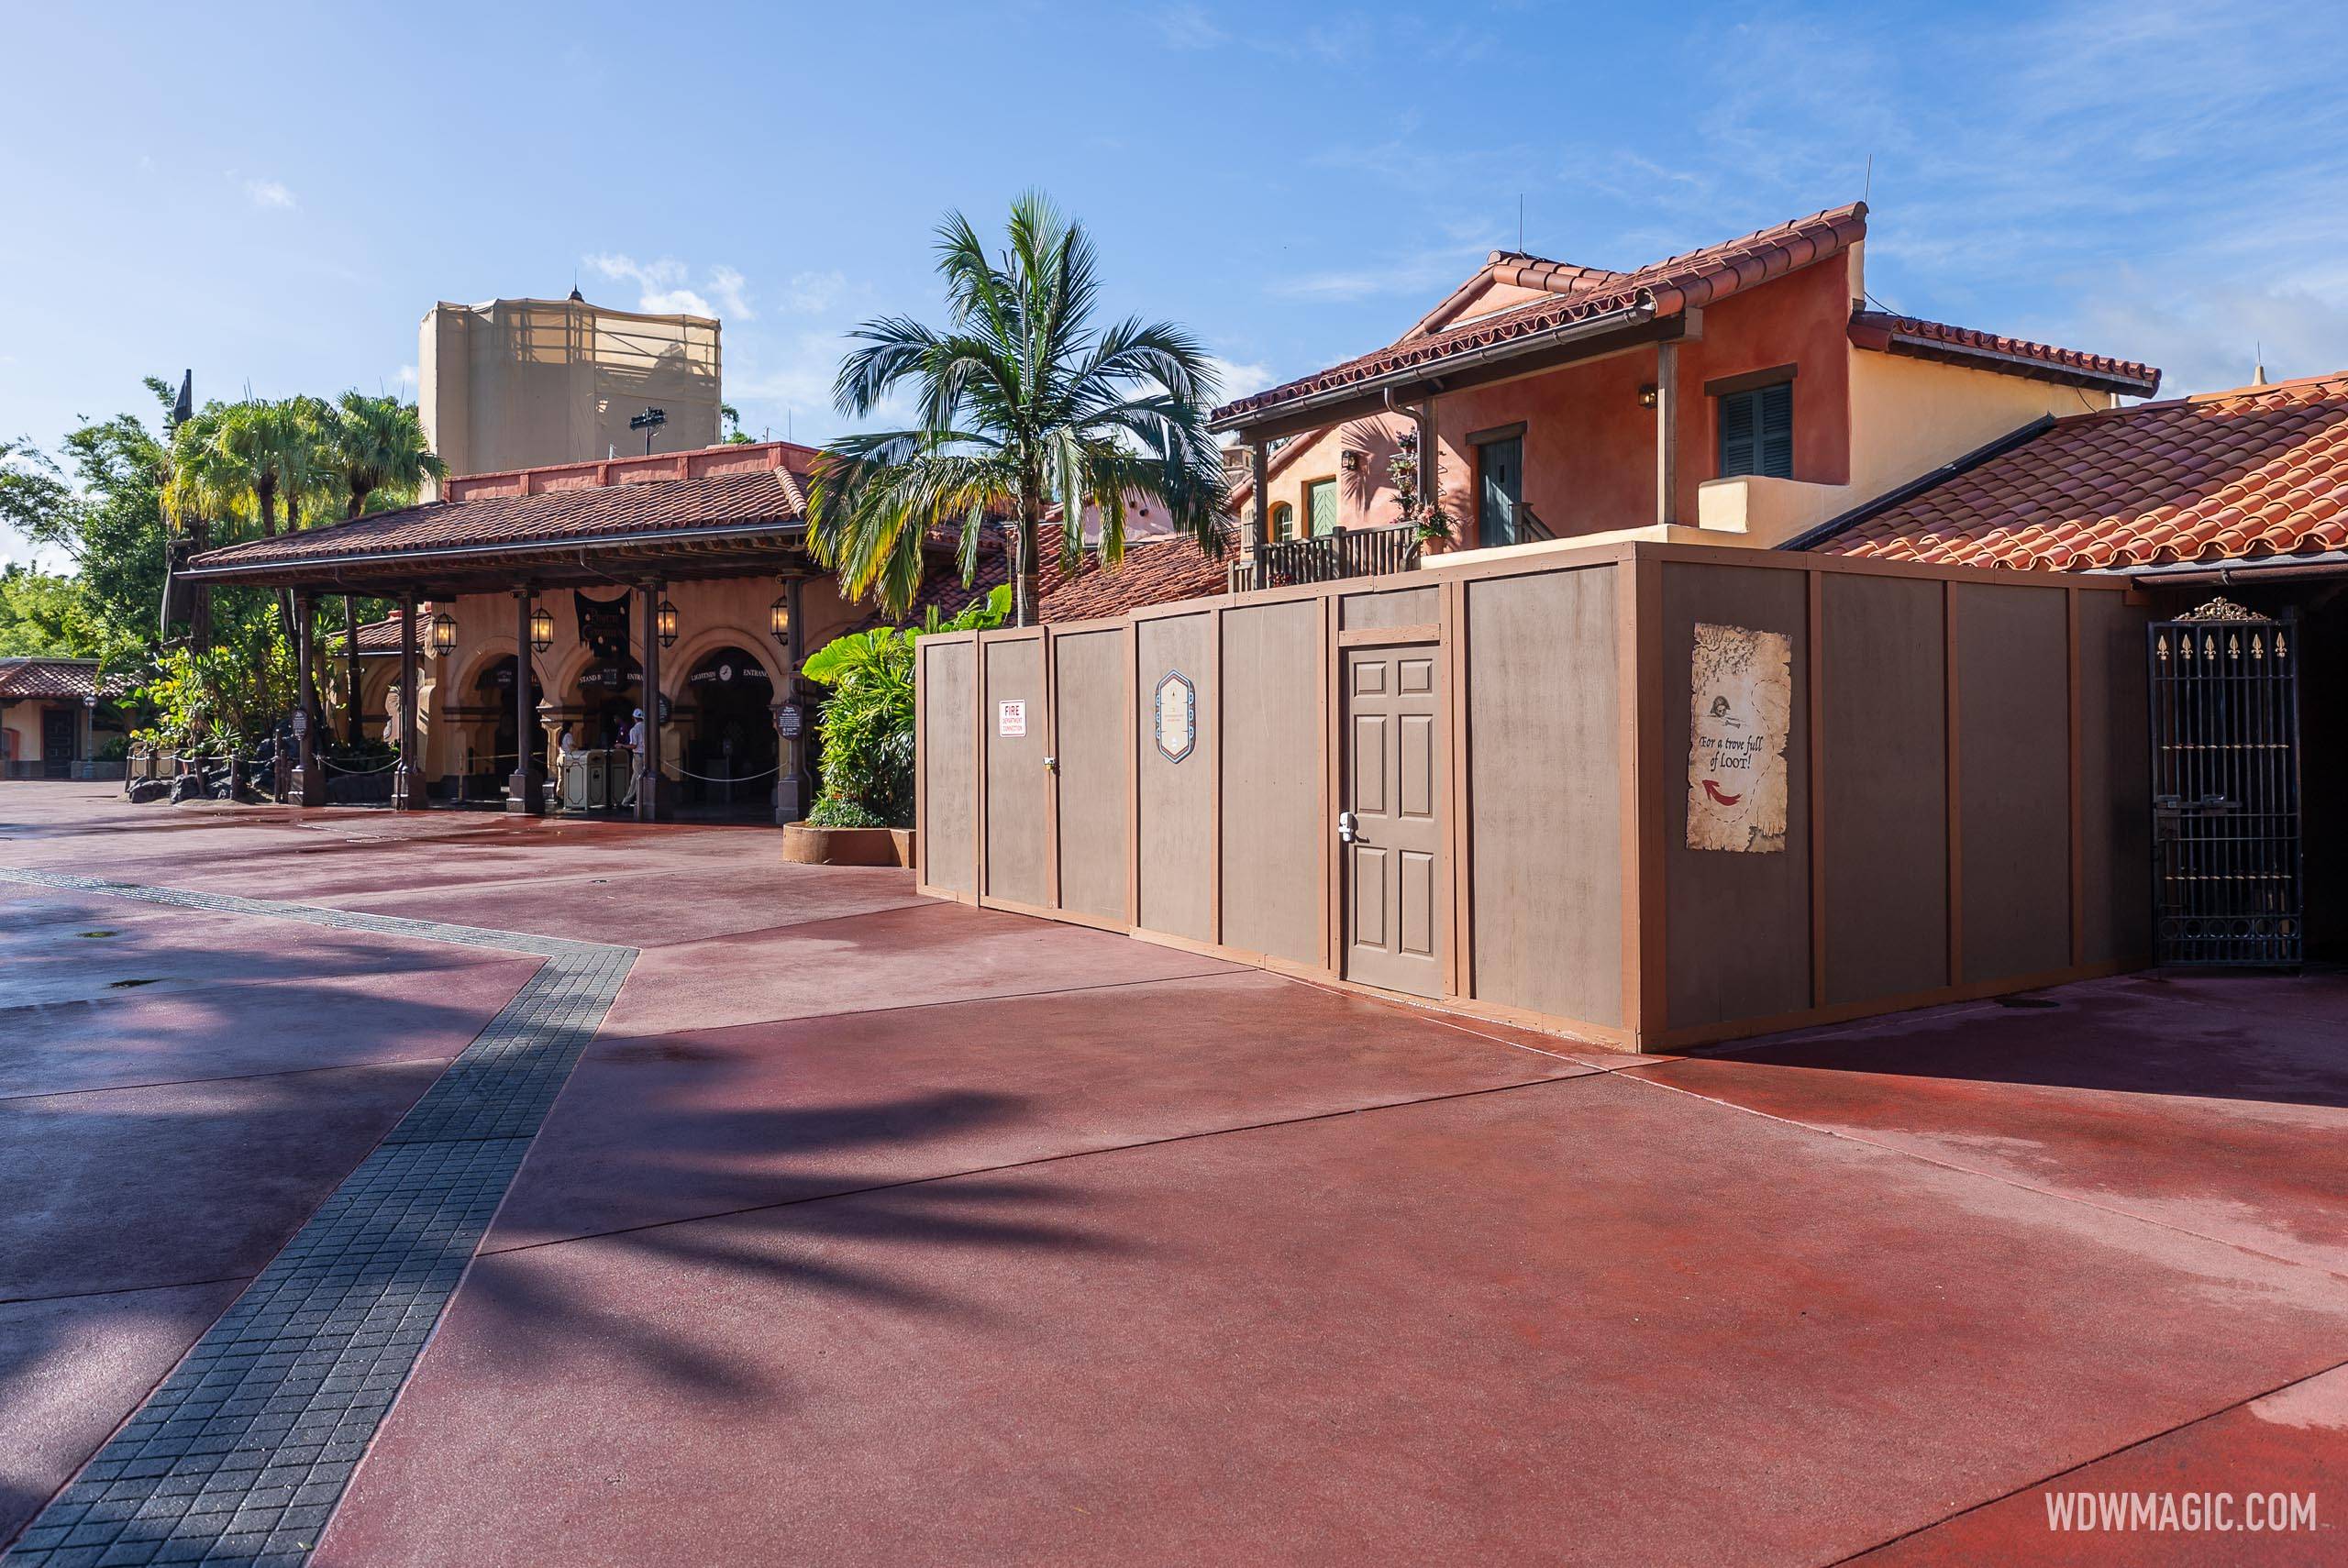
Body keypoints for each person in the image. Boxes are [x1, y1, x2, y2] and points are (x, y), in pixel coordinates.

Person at [620, 707, 646, 806]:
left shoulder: (634, 729)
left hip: (638, 756)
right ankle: (627, 801)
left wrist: (622, 745)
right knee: (636, 778)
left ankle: (635, 800)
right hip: (646, 756)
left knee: (637, 779)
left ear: (634, 718)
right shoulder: (647, 727)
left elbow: (633, 745)